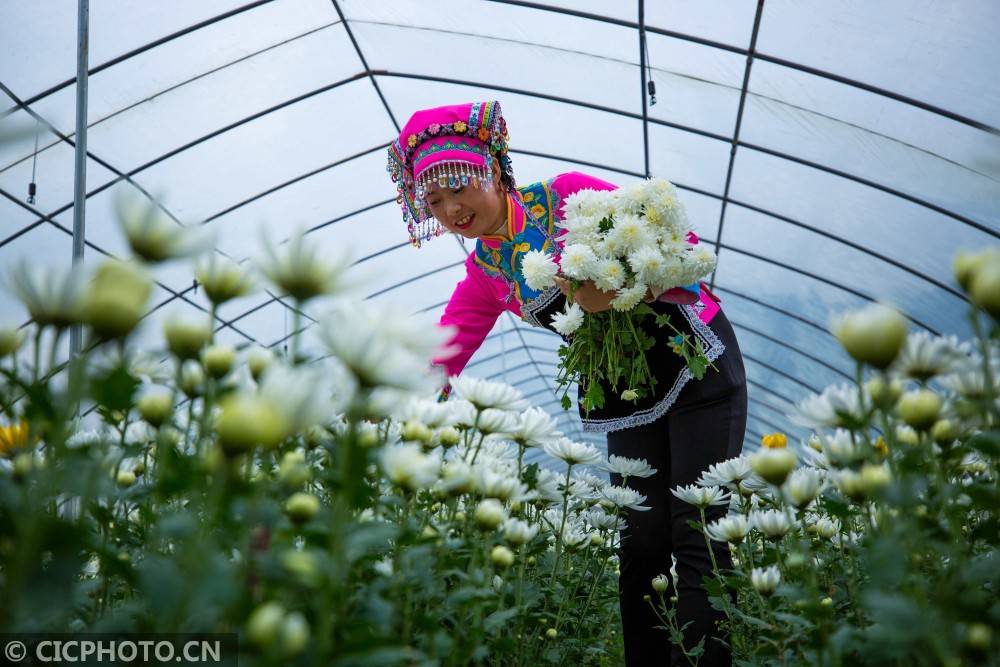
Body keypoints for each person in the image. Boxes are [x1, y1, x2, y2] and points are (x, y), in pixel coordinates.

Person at [387, 100, 748, 666]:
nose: (452, 208)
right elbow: (442, 352)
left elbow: (681, 245)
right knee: (641, 542)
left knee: (696, 528)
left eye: (460, 185)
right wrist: (386, 396)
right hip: (626, 392)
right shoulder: (486, 274)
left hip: (695, 364)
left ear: (494, 169)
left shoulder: (565, 198)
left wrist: (632, 285)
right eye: (434, 201)